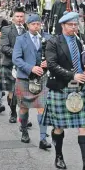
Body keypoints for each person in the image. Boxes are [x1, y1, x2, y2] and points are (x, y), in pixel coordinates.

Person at [41, 11, 85, 170]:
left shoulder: (83, 40)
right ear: (63, 26)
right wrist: (72, 74)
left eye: (75, 25)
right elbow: (51, 64)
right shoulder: (53, 42)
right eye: (70, 25)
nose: (74, 28)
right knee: (58, 126)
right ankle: (58, 156)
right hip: (61, 87)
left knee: (84, 126)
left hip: (80, 88)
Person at [12, 14, 52, 149]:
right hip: (25, 77)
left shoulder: (47, 38)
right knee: (24, 107)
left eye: (38, 24)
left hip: (42, 77)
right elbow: (16, 59)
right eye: (33, 24)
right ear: (27, 26)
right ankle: (23, 130)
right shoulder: (20, 39)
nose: (36, 26)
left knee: (42, 107)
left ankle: (42, 138)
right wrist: (31, 68)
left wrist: (49, 62)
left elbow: (53, 55)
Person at [0, 6, 26, 123]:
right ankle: (14, 112)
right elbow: (4, 47)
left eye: (21, 17)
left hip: (25, 66)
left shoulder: (28, 30)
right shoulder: (6, 30)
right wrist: (18, 55)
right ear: (13, 18)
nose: (19, 19)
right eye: (17, 16)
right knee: (12, 91)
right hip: (10, 64)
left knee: (23, 93)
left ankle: (23, 116)